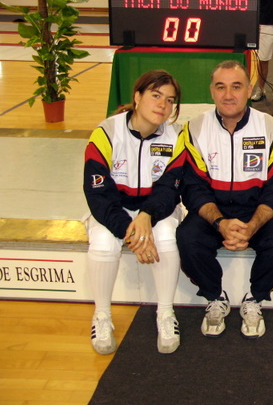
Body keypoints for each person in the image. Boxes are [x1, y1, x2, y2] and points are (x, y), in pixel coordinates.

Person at [172, 60, 273, 339]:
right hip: (213, 211)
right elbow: (193, 188)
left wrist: (252, 226)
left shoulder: (272, 128)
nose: (228, 95)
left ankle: (255, 298)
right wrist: (220, 223)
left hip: (257, 209)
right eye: (221, 87)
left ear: (249, 90)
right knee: (187, 238)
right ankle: (215, 297)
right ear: (211, 91)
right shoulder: (194, 128)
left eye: (236, 87)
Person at [83, 70, 183, 355]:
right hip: (113, 208)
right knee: (103, 242)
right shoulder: (105, 133)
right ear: (137, 97)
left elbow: (170, 189)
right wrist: (131, 233)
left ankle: (165, 313)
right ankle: (102, 315)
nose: (162, 105)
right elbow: (98, 193)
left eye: (170, 100)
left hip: (156, 210)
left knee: (166, 236)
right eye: (155, 95)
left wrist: (146, 216)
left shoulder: (177, 137)